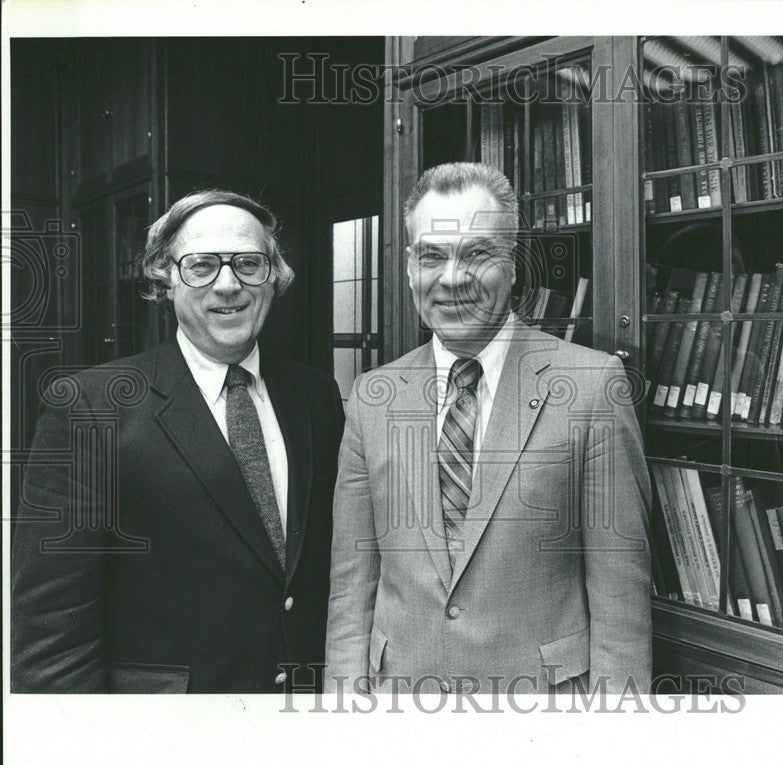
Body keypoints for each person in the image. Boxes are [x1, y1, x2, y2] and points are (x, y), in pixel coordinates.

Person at [325, 162, 651, 695]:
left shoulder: (593, 387)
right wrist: (343, 708)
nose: (452, 279)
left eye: (476, 254)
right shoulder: (371, 398)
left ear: (514, 266)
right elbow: (351, 585)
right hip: (400, 712)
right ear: (409, 268)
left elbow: (621, 601)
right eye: (432, 256)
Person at [11, 190, 344, 693]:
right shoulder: (90, 407)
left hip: (302, 721)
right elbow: (51, 626)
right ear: (164, 278)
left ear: (274, 277)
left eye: (249, 264)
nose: (228, 284)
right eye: (202, 265)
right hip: (164, 740)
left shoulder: (316, 397)